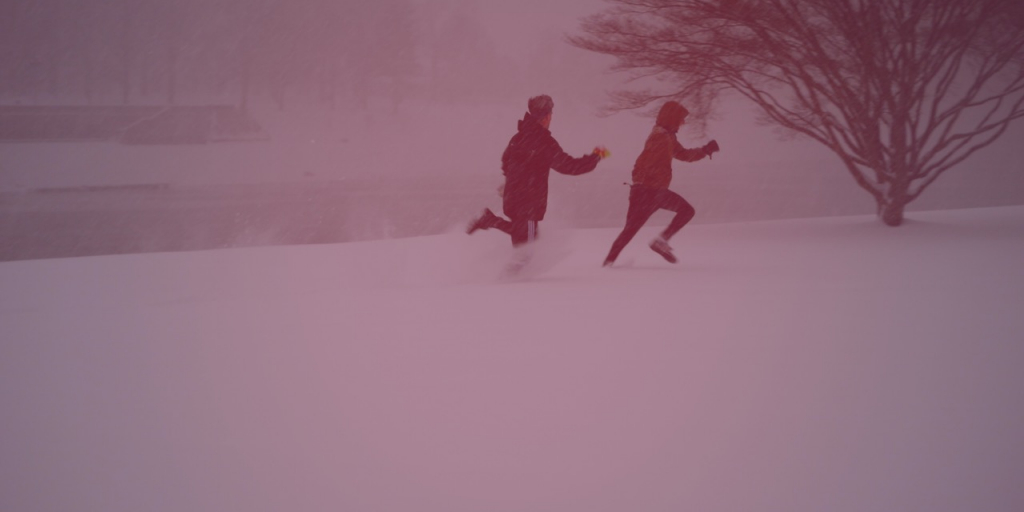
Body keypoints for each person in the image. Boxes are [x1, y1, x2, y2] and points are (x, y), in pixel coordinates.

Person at [467, 94, 608, 248]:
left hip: (513, 198)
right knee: (528, 246)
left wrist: (510, 181)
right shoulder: (544, 142)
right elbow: (568, 166)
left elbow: (505, 161)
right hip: (529, 203)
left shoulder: (518, 138)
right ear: (547, 116)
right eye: (551, 114)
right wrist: (595, 157)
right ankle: (490, 220)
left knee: (523, 244)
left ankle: (491, 222)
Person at [602, 100, 719, 266]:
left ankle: (611, 262)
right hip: (648, 192)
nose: (683, 123)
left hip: (653, 192)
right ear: (672, 118)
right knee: (632, 230)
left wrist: (704, 150)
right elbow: (642, 163)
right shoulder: (659, 138)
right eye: (681, 119)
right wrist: (641, 187)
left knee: (631, 230)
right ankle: (613, 262)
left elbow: (683, 154)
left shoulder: (668, 137)